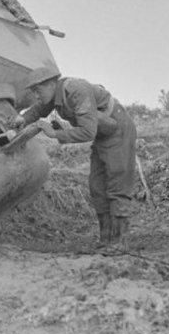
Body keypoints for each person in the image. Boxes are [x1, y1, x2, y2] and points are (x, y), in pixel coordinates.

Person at [10, 67, 137, 247]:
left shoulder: (76, 90)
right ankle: (106, 240)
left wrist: (55, 134)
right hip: (103, 134)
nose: (36, 96)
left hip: (118, 130)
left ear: (52, 84)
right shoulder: (55, 94)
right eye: (33, 92)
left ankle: (119, 242)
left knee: (117, 183)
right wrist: (23, 119)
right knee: (97, 186)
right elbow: (39, 109)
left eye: (38, 90)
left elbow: (88, 131)